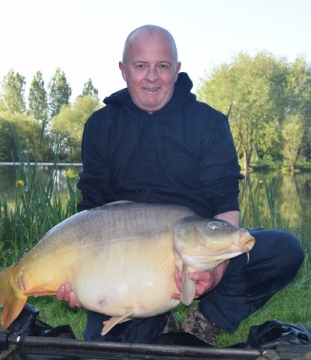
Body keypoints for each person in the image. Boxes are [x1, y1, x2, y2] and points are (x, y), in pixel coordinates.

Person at [56, 25, 304, 346]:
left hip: (199, 247)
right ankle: (156, 316)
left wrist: (218, 269)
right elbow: (91, 208)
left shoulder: (208, 122)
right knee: (107, 351)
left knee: (282, 250)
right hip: (129, 260)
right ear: (123, 70)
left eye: (162, 66)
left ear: (176, 70)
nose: (151, 76)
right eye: (140, 66)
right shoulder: (102, 126)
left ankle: (205, 319)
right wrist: (79, 276)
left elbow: (225, 201)